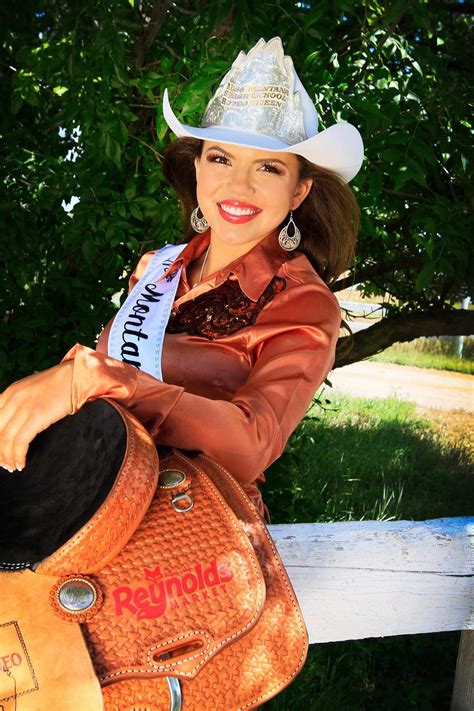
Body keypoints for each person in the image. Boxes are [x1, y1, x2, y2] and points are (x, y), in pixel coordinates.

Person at [0, 36, 363, 520]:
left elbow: (251, 444)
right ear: (196, 168)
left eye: (269, 168)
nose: (238, 185)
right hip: (95, 495)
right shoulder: (157, 267)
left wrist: (99, 380)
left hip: (190, 531)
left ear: (298, 192)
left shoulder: (302, 302)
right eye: (220, 159)